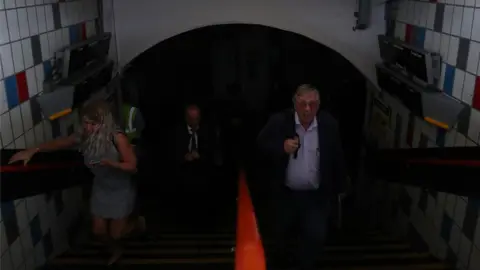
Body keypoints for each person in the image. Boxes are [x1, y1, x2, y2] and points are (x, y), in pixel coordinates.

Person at [9, 100, 144, 265]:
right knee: (98, 231)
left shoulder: (118, 138)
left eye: (93, 124)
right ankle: (116, 250)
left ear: (104, 123)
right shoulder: (85, 135)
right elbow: (61, 143)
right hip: (101, 187)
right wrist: (33, 150)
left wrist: (112, 164)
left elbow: (132, 166)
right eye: (85, 123)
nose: (88, 127)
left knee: (117, 233)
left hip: (120, 188)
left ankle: (136, 223)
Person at [257, 84, 348, 270]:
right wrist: (281, 147)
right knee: (279, 237)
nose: (307, 109)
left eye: (312, 104)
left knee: (315, 236)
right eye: (303, 104)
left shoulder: (329, 125)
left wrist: (340, 187)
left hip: (315, 197)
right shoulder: (279, 121)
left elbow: (337, 157)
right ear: (294, 103)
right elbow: (260, 146)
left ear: (319, 105)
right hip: (286, 195)